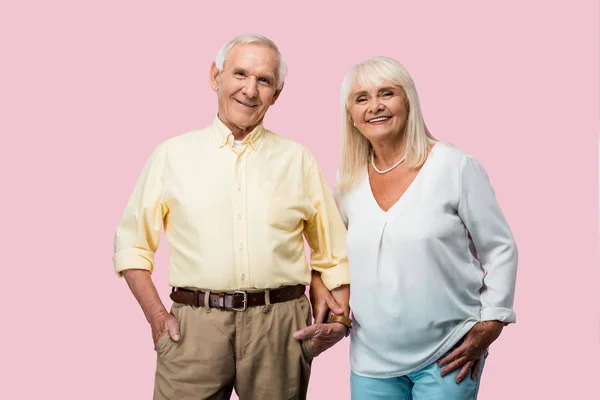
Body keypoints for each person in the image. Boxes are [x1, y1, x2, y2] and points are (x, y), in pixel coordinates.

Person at [112, 34, 351, 400]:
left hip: (280, 326)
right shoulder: (172, 155)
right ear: (215, 77)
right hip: (194, 326)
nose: (250, 90)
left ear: (278, 92)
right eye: (240, 74)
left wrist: (339, 320)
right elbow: (131, 246)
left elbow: (333, 251)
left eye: (264, 80)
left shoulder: (297, 159)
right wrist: (157, 317)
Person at [313, 56, 518, 399]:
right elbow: (334, 256)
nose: (375, 106)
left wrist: (492, 322)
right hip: (371, 362)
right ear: (350, 113)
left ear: (408, 100)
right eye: (361, 98)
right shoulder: (347, 184)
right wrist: (319, 280)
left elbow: (499, 248)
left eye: (387, 93)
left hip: (448, 354)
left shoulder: (454, 167)